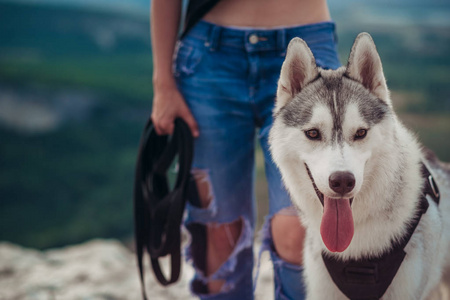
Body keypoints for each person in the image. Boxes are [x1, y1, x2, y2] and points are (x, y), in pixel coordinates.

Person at [150, 1, 341, 299]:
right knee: (219, 234)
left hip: (307, 47)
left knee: (299, 230)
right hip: (209, 57)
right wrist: (163, 83)